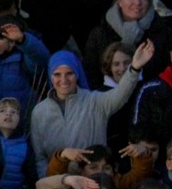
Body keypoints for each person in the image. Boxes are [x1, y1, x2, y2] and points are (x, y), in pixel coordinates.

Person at [31, 44, 152, 176]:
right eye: (57, 74)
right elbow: (40, 157)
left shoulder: (95, 101)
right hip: (58, 183)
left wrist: (134, 69)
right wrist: (48, 184)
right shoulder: (39, 111)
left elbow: (121, 93)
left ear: (77, 74)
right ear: (51, 77)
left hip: (94, 180)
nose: (63, 80)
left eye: (69, 73)